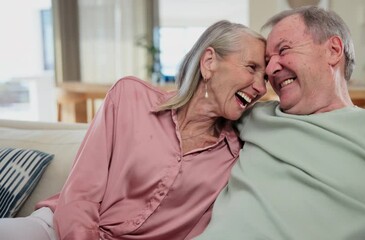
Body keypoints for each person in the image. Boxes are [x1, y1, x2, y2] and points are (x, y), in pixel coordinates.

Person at [196, 6, 365, 240]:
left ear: (333, 50)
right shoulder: (252, 116)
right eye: (267, 61)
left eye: (283, 50)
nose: (271, 69)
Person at [0, 20, 267, 240]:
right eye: (251, 68)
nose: (261, 88)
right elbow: (81, 193)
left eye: (265, 78)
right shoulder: (130, 98)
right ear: (209, 62)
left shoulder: (235, 155)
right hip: (59, 230)